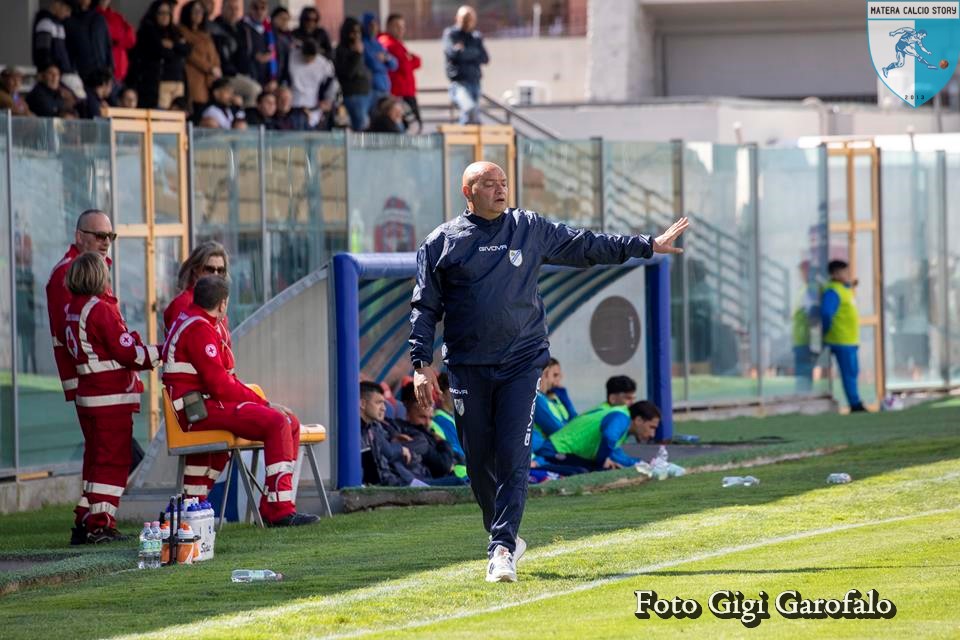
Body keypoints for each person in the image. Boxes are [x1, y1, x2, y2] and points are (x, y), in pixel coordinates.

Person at [409, 160, 688, 582]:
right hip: (467, 366)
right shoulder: (441, 242)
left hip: (523, 361)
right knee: (480, 458)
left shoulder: (528, 227)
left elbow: (585, 245)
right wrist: (419, 363)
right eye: (489, 184)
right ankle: (503, 537)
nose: (501, 190)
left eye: (503, 182)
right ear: (468, 192)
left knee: (514, 454)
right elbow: (424, 307)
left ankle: (501, 547)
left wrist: (645, 244)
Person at [161, 275, 320, 526]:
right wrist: (264, 404)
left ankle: (198, 508)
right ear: (223, 304)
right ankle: (279, 510)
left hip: (200, 406)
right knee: (277, 421)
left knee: (290, 422)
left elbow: (221, 383)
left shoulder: (198, 322)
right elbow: (220, 385)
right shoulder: (199, 328)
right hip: (198, 409)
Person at [64, 252, 160, 543]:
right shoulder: (100, 309)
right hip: (110, 399)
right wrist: (161, 351)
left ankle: (85, 518)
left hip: (89, 397)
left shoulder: (73, 308)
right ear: (97, 276)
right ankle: (101, 524)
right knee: (112, 462)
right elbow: (126, 351)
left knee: (95, 461)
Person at [46, 209, 115, 408]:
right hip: (89, 379)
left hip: (99, 378)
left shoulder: (95, 269)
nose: (107, 242)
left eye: (111, 236)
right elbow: (70, 329)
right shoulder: (66, 272)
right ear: (79, 236)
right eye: (100, 236)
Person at [536, 376, 644, 467]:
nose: (632, 404)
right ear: (613, 399)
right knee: (589, 471)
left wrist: (638, 463)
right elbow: (610, 442)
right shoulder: (617, 415)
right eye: (628, 399)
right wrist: (641, 464)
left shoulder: (608, 411)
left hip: (563, 450)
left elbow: (614, 451)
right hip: (556, 450)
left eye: (633, 399)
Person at [537, 400, 660, 471]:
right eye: (651, 427)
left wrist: (644, 463)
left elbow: (616, 455)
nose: (652, 434)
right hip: (554, 451)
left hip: (567, 454)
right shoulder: (622, 417)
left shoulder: (622, 423)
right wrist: (602, 461)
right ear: (638, 420)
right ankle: (536, 466)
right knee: (585, 472)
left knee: (599, 468)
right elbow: (609, 437)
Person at [359, 381, 433, 487]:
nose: (384, 408)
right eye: (378, 403)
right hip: (389, 485)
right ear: (363, 404)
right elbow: (387, 455)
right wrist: (401, 449)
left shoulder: (372, 428)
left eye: (384, 403)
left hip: (398, 481)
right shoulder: (358, 431)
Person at [821, 260, 866, 412]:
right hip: (840, 340)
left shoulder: (844, 289)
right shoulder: (833, 291)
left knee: (853, 371)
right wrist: (826, 331)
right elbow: (826, 313)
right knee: (848, 373)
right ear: (834, 274)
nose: (847, 275)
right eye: (844, 272)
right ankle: (855, 404)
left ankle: (856, 401)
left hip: (849, 340)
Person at [130, 0, 190, 109]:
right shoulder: (148, 31)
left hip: (177, 81)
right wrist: (176, 48)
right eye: (161, 13)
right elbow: (161, 52)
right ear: (154, 14)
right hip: (159, 83)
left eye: (167, 13)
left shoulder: (175, 31)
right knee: (162, 116)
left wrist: (173, 45)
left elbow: (187, 50)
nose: (165, 16)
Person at [442, 6, 488, 124]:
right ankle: (462, 140)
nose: (467, 22)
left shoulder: (476, 36)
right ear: (457, 18)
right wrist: (474, 53)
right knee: (469, 110)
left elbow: (485, 58)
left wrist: (464, 52)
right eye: (465, 18)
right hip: (459, 83)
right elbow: (453, 53)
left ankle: (469, 141)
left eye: (470, 19)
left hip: (475, 82)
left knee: (474, 118)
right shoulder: (451, 34)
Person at [209, 0, 260, 107]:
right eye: (230, 8)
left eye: (236, 9)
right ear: (222, 9)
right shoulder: (214, 28)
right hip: (225, 75)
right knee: (255, 89)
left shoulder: (243, 29)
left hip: (242, 74)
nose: (233, 12)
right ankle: (244, 118)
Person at [33, 0, 86, 99]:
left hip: (63, 72)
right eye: (66, 10)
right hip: (55, 75)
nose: (68, 14)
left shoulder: (59, 24)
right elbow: (43, 51)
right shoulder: (45, 22)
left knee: (80, 96)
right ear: (57, 4)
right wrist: (51, 70)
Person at [378, 13, 421, 132]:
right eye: (397, 26)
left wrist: (408, 60)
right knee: (408, 125)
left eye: (402, 26)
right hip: (398, 93)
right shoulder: (386, 43)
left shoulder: (400, 45)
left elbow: (417, 61)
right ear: (388, 26)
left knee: (413, 125)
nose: (400, 30)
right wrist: (408, 60)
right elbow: (403, 65)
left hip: (408, 91)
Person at [178, 0, 221, 113]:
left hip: (210, 81)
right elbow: (190, 54)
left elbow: (214, 54)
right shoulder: (181, 31)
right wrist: (210, 68)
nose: (198, 15)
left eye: (201, 12)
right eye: (195, 11)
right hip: (194, 76)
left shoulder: (206, 34)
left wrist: (216, 68)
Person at [289, 37, 338, 128]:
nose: (309, 61)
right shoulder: (292, 56)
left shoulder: (323, 63)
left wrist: (327, 99)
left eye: (312, 58)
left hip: (313, 105)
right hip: (294, 104)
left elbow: (331, 83)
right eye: (307, 58)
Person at [334, 17, 372, 131]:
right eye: (353, 32)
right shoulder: (341, 50)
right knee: (361, 127)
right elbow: (348, 73)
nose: (357, 35)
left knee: (368, 125)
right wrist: (357, 54)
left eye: (359, 31)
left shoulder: (360, 47)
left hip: (366, 92)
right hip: (354, 94)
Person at [64, 0, 113, 82]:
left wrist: (110, 69)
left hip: (102, 76)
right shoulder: (68, 21)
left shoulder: (100, 19)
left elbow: (107, 46)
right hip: (79, 77)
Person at [532, 357, 577, 439]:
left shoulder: (551, 398)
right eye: (555, 375)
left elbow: (574, 421)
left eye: (559, 376)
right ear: (545, 373)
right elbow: (559, 431)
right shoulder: (537, 400)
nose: (558, 380)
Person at [360, 12, 397, 110]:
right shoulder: (363, 44)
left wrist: (386, 58)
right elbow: (373, 64)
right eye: (371, 25)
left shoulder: (378, 43)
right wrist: (384, 63)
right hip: (372, 89)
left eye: (376, 24)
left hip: (385, 87)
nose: (374, 27)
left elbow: (394, 64)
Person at [96, 0, 136, 84]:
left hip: (120, 72)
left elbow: (131, 39)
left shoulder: (117, 17)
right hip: (103, 73)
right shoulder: (94, 16)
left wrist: (117, 41)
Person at [241, 0, 274, 89]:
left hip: (268, 79)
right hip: (250, 76)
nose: (259, 12)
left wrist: (273, 79)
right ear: (250, 9)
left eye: (263, 8)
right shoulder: (242, 28)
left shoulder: (270, 30)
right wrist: (255, 56)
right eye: (255, 8)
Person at [270, 7, 293, 85]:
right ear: (273, 18)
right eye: (282, 19)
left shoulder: (289, 37)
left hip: (283, 78)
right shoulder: (267, 34)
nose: (285, 22)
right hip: (271, 77)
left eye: (287, 19)